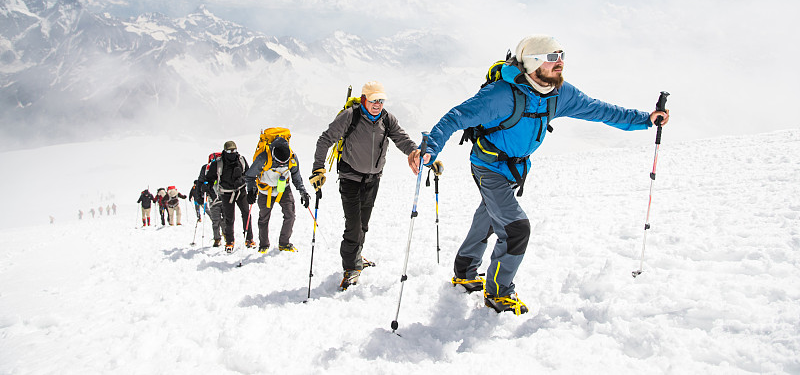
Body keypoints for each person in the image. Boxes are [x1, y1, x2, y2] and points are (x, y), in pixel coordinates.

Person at [411, 35, 670, 315]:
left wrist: (645, 119)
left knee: (490, 215)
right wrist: (430, 147)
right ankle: (499, 293)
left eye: (561, 55)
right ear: (533, 63)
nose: (559, 62)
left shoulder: (560, 94)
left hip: (516, 168)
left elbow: (599, 110)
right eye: (551, 57)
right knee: (515, 228)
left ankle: (464, 271)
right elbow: (456, 117)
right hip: (488, 166)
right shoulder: (501, 95)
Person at [311, 81, 422, 290]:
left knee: (363, 224)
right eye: (374, 100)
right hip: (350, 177)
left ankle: (356, 256)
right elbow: (325, 139)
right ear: (364, 100)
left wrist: (415, 152)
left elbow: (402, 139)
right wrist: (318, 168)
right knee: (353, 225)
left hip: (373, 179)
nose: (378, 104)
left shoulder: (387, 119)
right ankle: (351, 268)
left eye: (381, 100)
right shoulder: (350, 116)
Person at [245, 134, 311, 253]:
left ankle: (284, 243)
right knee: (264, 218)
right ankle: (264, 245)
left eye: (283, 163)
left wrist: (303, 192)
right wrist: (251, 190)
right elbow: (250, 175)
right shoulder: (264, 158)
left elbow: (296, 176)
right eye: (279, 162)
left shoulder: (292, 158)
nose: (281, 164)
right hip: (265, 190)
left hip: (283, 188)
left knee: (290, 215)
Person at [204, 141, 254, 252]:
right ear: (225, 151)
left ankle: (249, 239)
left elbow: (248, 174)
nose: (232, 153)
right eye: (229, 151)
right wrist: (207, 186)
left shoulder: (241, 160)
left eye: (234, 150)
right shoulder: (218, 163)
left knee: (246, 213)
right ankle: (230, 241)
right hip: (226, 193)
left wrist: (244, 182)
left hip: (241, 191)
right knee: (229, 218)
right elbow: (209, 178)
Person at [198, 153, 224, 247]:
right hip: (224, 196)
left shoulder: (206, 168)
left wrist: (200, 194)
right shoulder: (223, 166)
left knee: (215, 220)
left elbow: (201, 182)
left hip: (212, 198)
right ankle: (226, 237)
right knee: (225, 219)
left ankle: (218, 239)